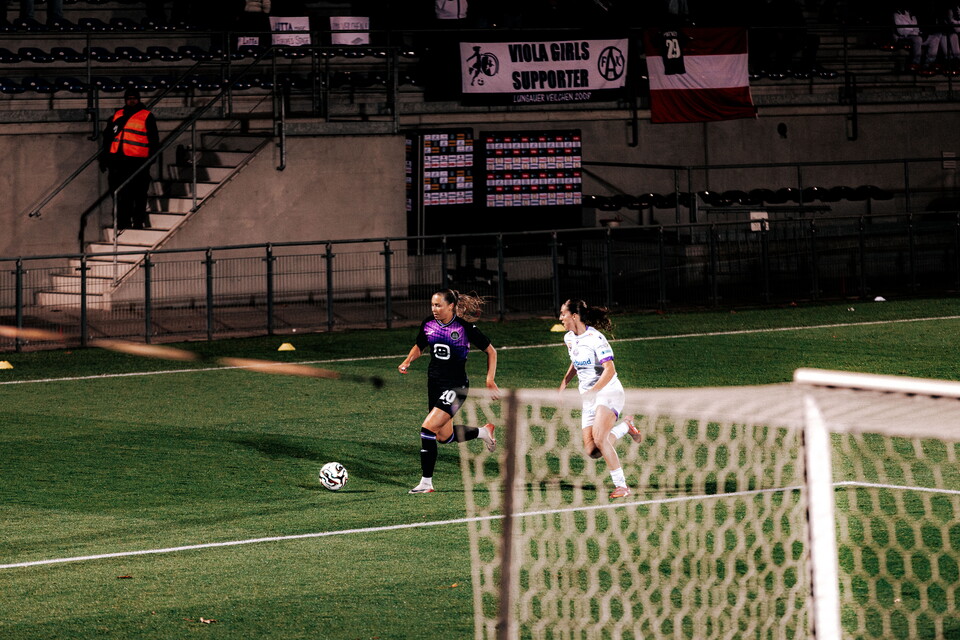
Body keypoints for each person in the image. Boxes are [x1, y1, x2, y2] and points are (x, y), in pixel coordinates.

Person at [398, 289, 498, 494]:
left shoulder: (464, 327)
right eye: (432, 305)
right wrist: (408, 361)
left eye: (438, 305)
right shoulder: (428, 323)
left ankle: (426, 483)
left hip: (456, 387)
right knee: (443, 436)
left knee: (427, 429)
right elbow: (420, 345)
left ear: (451, 306)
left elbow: (491, 351)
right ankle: (483, 432)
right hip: (434, 385)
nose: (434, 309)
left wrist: (489, 380)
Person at [557, 299, 641, 500]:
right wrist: (564, 383)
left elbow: (609, 370)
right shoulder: (569, 338)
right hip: (589, 398)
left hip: (608, 392)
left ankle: (622, 486)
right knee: (593, 451)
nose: (560, 318)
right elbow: (575, 361)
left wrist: (594, 391)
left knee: (601, 438)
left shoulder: (596, 338)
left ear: (574, 316)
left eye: (563, 314)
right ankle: (626, 426)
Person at [99, 88, 160, 231]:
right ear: (125, 100)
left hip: (138, 161)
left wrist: (151, 159)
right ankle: (123, 222)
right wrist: (105, 158)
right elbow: (108, 138)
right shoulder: (117, 115)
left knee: (139, 193)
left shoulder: (146, 116)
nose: (132, 101)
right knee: (121, 194)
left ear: (138, 99)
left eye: (134, 98)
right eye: (129, 98)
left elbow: (154, 139)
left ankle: (138, 221)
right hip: (118, 160)